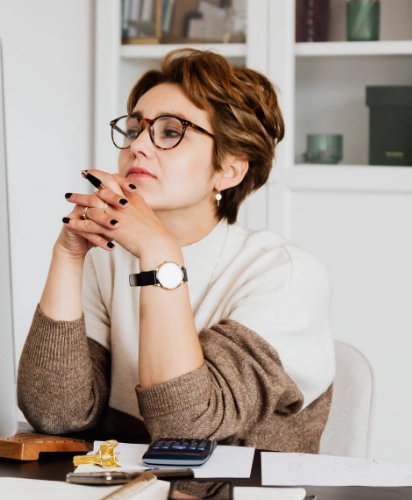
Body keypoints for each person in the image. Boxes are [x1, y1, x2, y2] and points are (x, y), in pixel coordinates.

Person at [17, 48, 335, 453]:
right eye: (134, 130)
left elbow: (186, 429)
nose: (138, 147)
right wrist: (68, 253)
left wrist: (159, 252)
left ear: (229, 169)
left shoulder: (286, 274)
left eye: (170, 132)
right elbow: (56, 415)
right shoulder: (107, 258)